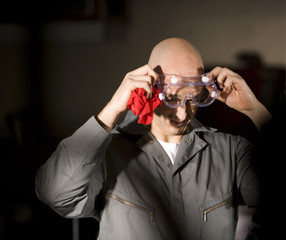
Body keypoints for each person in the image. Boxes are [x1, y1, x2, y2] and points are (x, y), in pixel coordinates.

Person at [35, 38, 272, 239]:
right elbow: (54, 192)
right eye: (172, 98)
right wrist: (113, 108)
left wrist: (255, 110)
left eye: (192, 99)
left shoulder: (230, 152)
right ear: (150, 88)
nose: (182, 113)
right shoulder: (108, 153)